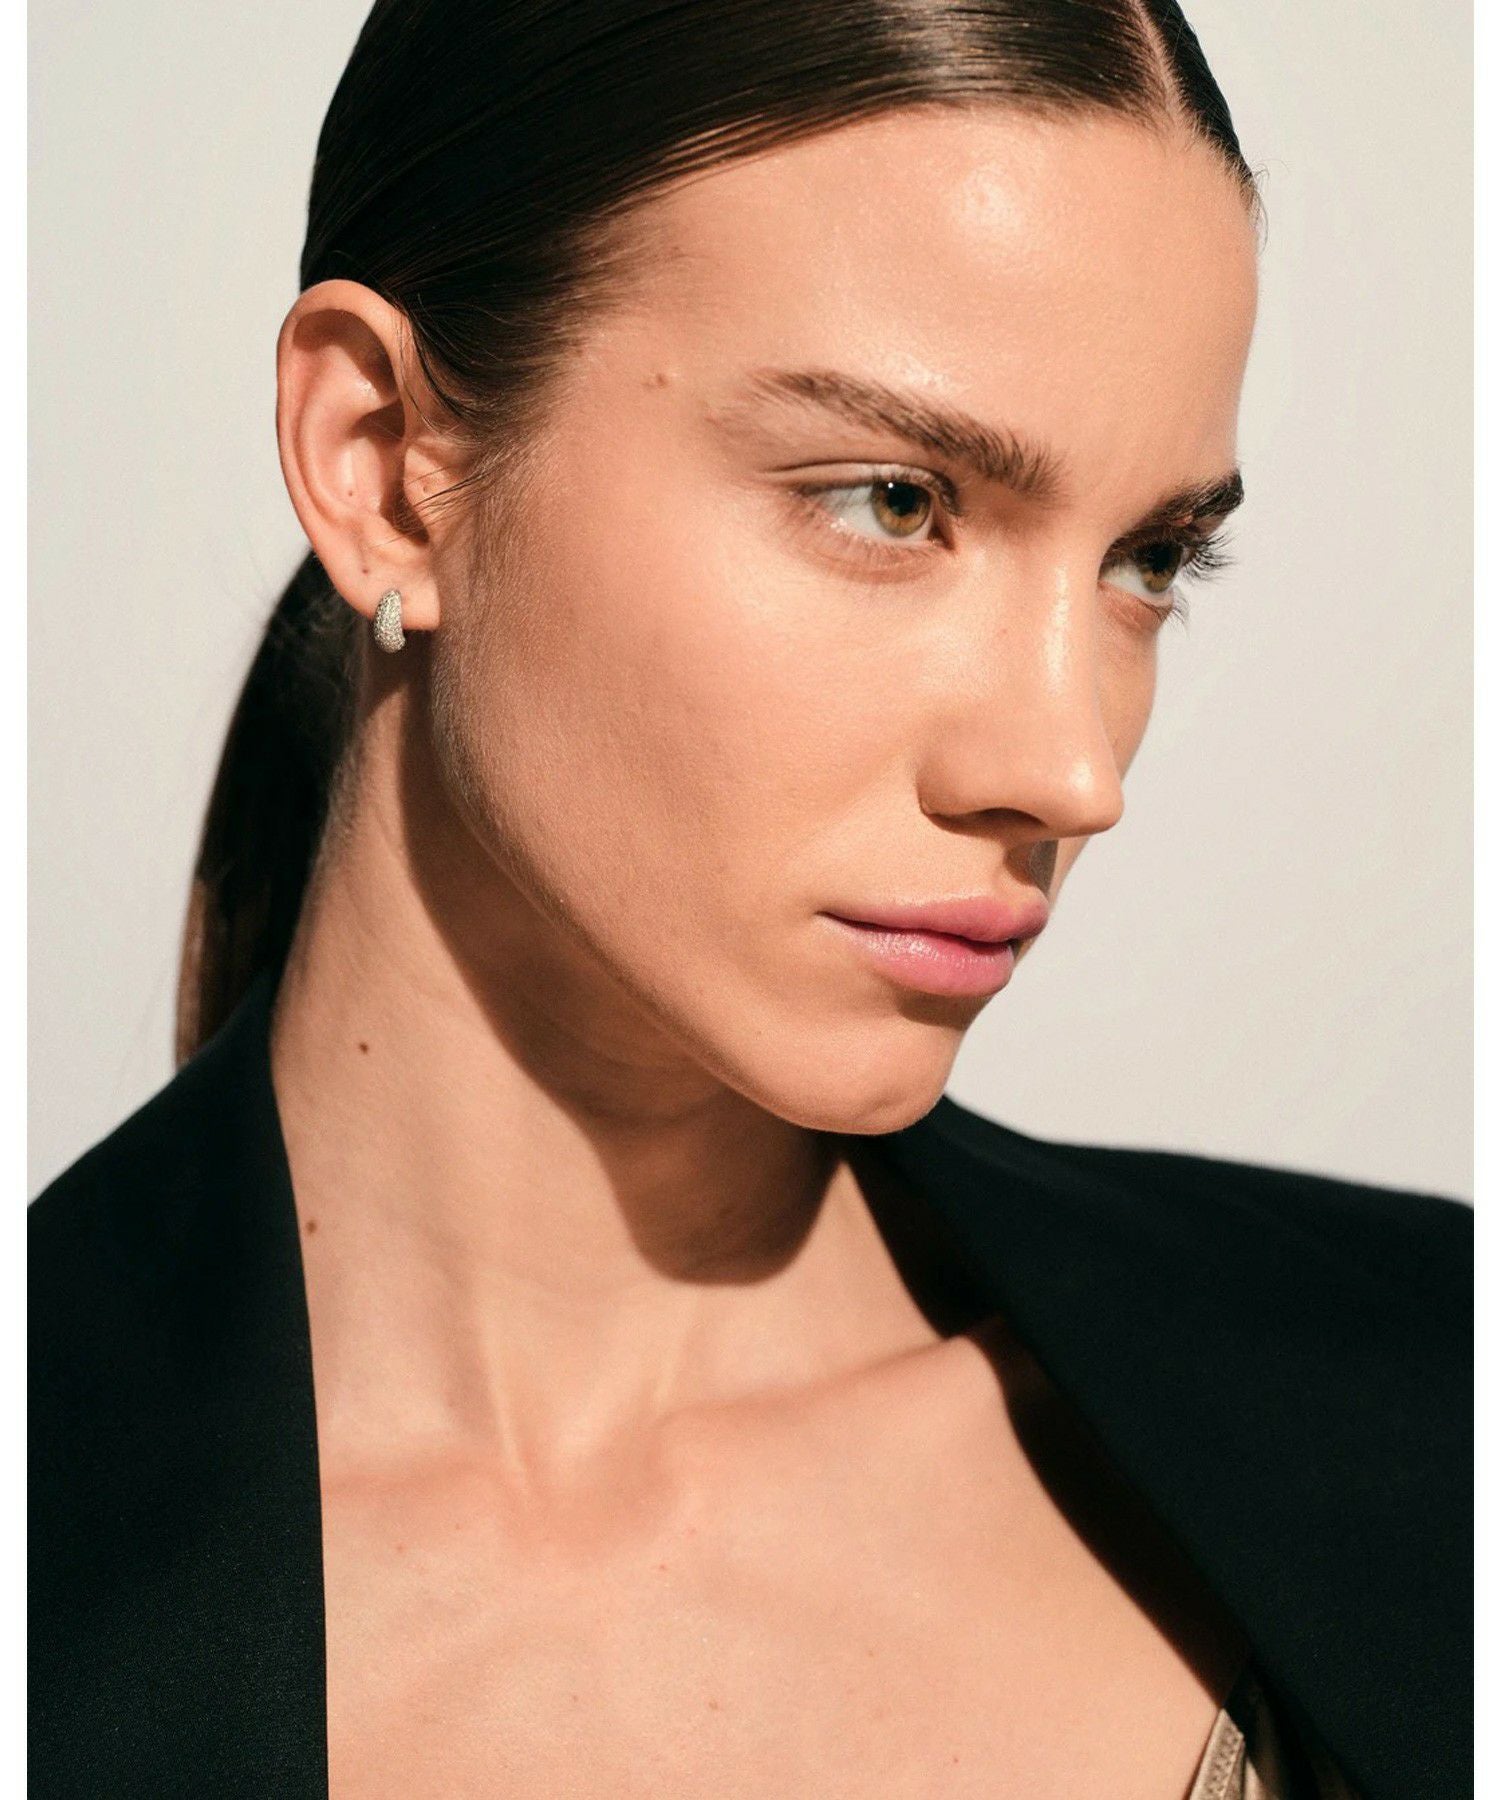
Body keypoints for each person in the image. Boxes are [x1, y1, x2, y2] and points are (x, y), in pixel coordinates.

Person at [29, 1, 1471, 1796]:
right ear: (383, 462)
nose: (1070, 769)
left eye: (1149, 557)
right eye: (895, 501)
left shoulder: (1434, 1393)